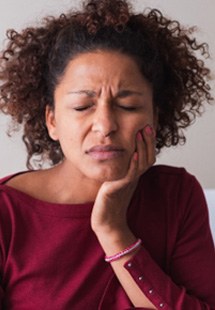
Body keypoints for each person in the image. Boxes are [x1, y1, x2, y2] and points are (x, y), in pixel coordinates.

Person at [0, 0, 214, 309]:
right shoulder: (7, 213)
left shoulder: (176, 195)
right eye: (82, 106)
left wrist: (113, 229)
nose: (105, 125)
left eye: (128, 106)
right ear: (52, 120)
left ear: (155, 115)